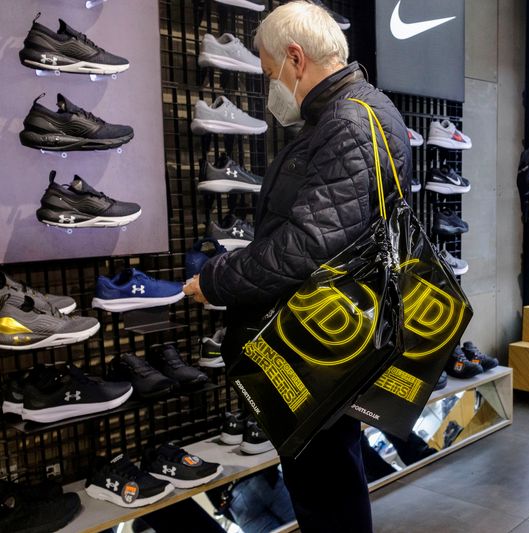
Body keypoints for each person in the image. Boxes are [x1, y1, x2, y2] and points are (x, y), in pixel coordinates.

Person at [183, 2, 411, 531]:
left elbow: (305, 246)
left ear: (294, 58)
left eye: (268, 73)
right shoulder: (352, 115)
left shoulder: (350, 122)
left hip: (320, 347)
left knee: (325, 488)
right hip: (331, 335)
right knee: (328, 482)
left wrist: (216, 280)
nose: (271, 88)